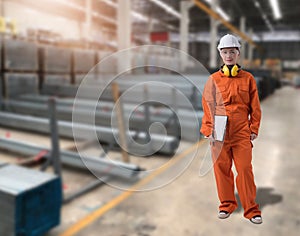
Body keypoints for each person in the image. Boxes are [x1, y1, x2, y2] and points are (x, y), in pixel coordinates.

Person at [200, 34, 262, 224]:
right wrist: (208, 130)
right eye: (225, 52)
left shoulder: (248, 79)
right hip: (219, 133)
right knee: (222, 170)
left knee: (244, 169)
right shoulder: (213, 80)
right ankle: (226, 205)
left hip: (241, 132)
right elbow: (207, 105)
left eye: (232, 52)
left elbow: (255, 106)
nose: (228, 55)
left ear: (238, 54)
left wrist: (254, 128)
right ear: (220, 54)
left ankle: (251, 209)